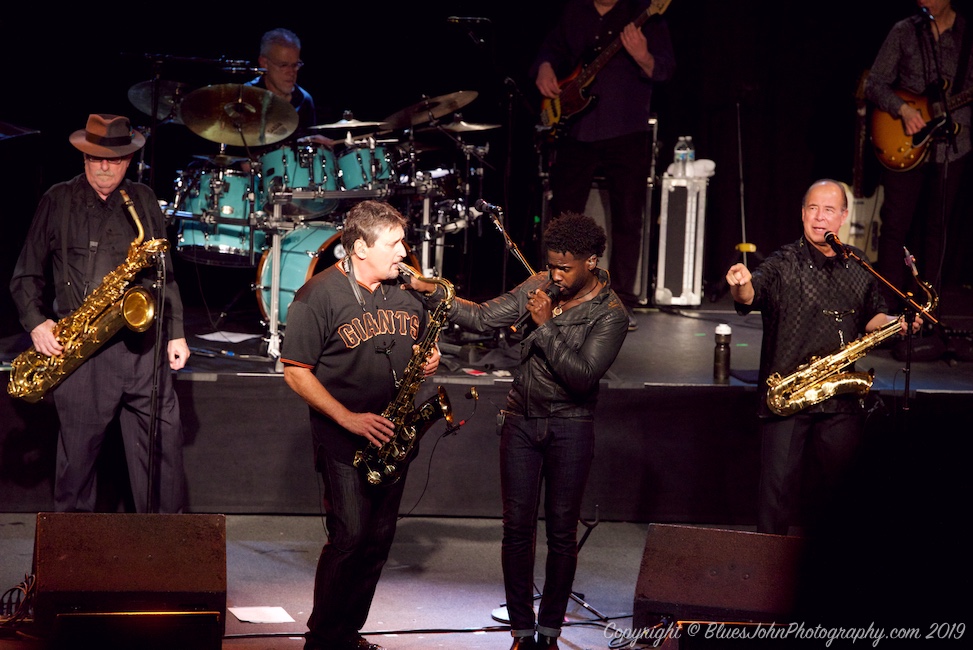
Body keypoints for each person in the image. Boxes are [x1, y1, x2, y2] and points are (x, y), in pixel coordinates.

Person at [411, 211, 628, 649]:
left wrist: (546, 326)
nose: (554, 275)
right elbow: (484, 317)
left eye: (565, 268)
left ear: (591, 261)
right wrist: (431, 290)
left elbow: (583, 376)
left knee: (562, 532)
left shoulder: (611, 313)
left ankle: (549, 632)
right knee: (516, 529)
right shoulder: (541, 285)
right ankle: (522, 631)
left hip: (570, 426)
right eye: (550, 265)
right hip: (520, 422)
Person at [279, 200, 441, 650]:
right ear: (360, 248)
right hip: (342, 439)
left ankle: (347, 633)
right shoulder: (317, 296)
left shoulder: (406, 289)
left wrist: (431, 357)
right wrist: (347, 417)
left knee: (378, 540)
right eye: (393, 243)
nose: (403, 252)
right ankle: (321, 638)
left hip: (395, 434)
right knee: (349, 536)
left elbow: (422, 341)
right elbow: (294, 371)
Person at [9, 113, 190, 513]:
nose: (105, 166)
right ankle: (71, 560)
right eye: (96, 158)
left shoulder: (142, 199)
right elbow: (25, 273)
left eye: (114, 159)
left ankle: (167, 554)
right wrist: (37, 323)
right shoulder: (57, 199)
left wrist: (175, 332)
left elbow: (165, 274)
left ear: (128, 161)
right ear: (84, 159)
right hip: (83, 349)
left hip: (143, 347)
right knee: (77, 465)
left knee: (163, 453)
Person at [725, 179, 920, 536]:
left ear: (843, 217)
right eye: (813, 209)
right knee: (776, 497)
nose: (819, 218)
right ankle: (766, 574)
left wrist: (897, 324)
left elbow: (873, 316)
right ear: (802, 214)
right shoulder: (785, 262)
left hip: (840, 397)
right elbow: (751, 292)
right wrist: (740, 283)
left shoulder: (859, 264)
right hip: (789, 393)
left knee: (845, 493)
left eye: (828, 210)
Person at [531, 0, 676, 331]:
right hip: (576, 129)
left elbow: (666, 69)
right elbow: (549, 49)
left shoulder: (646, 15)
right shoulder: (575, 11)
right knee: (563, 218)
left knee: (628, 217)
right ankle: (556, 294)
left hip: (626, 128)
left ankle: (622, 301)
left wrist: (643, 57)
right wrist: (544, 67)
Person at [864, 0, 973, 303]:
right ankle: (886, 309)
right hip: (904, 139)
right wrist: (902, 109)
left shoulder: (967, 35)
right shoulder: (905, 31)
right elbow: (874, 84)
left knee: (938, 232)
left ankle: (929, 309)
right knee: (895, 227)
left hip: (954, 146)